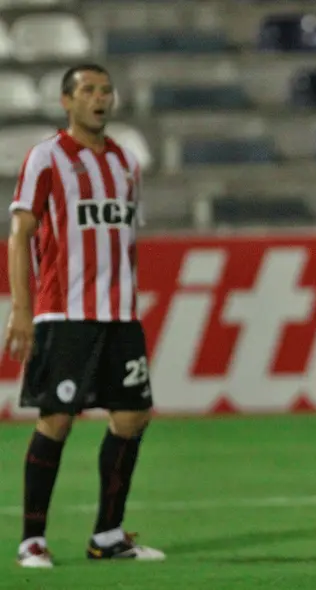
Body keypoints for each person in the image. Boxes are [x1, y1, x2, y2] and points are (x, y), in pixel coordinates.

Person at [6, 64, 164, 568]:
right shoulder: (46, 158)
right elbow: (20, 235)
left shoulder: (124, 163)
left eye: (106, 90)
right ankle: (33, 539)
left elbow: (125, 240)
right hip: (64, 313)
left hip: (119, 315)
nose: (100, 98)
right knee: (56, 420)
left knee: (132, 415)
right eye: (88, 90)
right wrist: (23, 311)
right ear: (66, 102)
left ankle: (108, 535)